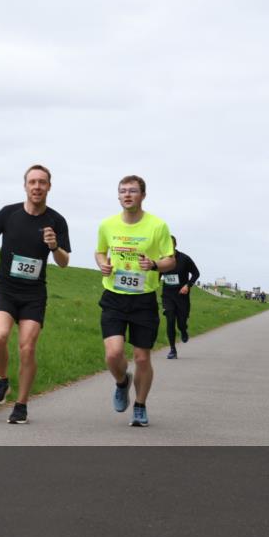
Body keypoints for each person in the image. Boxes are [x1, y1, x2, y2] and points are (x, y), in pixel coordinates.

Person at [0, 165, 71, 424]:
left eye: (42, 182)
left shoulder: (57, 221)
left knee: (27, 348)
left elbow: (63, 262)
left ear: (49, 186)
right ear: (25, 186)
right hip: (5, 288)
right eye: (32, 182)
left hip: (34, 294)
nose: (37, 186)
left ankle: (22, 405)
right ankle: (2, 380)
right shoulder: (8, 213)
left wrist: (54, 245)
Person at [95, 175, 175, 427]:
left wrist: (153, 264)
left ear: (143, 195)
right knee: (113, 353)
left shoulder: (157, 226)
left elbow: (170, 260)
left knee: (142, 358)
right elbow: (99, 251)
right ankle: (121, 382)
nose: (127, 195)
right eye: (122, 191)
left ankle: (139, 406)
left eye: (132, 191)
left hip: (144, 299)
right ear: (118, 196)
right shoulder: (107, 225)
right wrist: (102, 265)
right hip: (114, 296)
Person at [159, 236, 200, 359]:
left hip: (182, 295)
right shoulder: (161, 260)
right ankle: (172, 349)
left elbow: (196, 273)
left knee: (181, 323)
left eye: (170, 244)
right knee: (170, 319)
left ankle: (183, 330)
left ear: (175, 245)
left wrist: (188, 285)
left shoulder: (185, 259)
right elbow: (157, 274)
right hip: (167, 295)